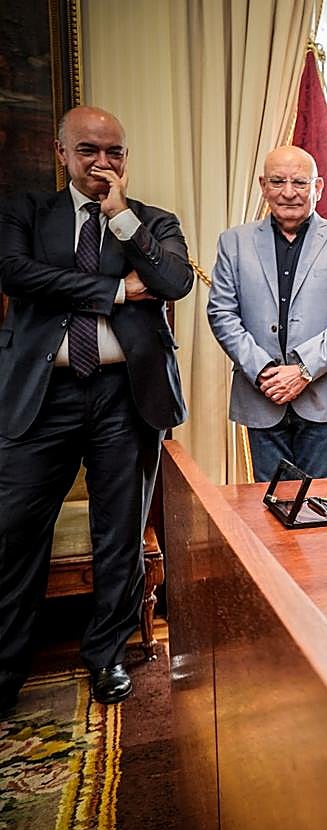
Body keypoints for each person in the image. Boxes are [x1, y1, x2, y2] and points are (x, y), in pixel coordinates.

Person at [0, 106, 193, 707]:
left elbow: (175, 281)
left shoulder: (152, 220)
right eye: (89, 151)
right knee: (13, 532)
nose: (103, 163)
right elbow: (16, 273)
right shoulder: (26, 212)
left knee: (121, 534)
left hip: (125, 396)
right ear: (62, 154)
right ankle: (7, 667)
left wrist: (123, 221)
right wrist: (113, 291)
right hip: (41, 394)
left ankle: (106, 656)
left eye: (115, 152)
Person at [207, 145, 327, 481]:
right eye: (278, 182)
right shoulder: (233, 242)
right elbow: (222, 313)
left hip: (324, 396)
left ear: (318, 187)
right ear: (264, 186)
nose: (289, 193)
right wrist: (264, 370)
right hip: (261, 394)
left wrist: (302, 370)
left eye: (300, 183)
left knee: (321, 507)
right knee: (269, 510)